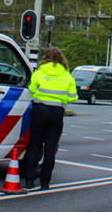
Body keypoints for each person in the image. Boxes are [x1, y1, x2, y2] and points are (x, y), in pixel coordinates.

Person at [22, 47, 77, 191]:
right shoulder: (67, 76)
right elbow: (73, 97)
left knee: (34, 145)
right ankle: (45, 183)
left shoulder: (39, 73)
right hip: (57, 112)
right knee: (50, 148)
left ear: (45, 57)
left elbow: (31, 91)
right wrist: (61, 100)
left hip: (39, 110)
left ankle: (29, 181)